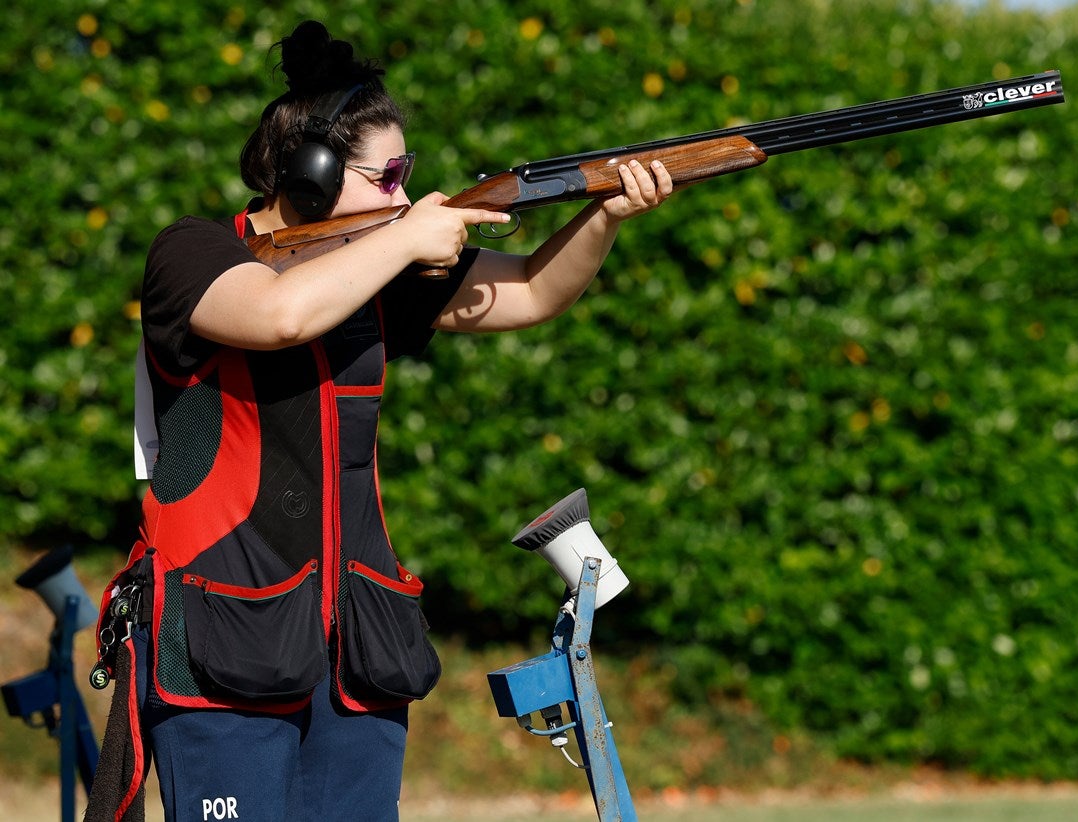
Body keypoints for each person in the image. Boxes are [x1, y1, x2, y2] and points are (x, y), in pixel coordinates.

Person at [86, 19, 671, 822]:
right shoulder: (190, 253)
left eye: (408, 174)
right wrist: (405, 243)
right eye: (385, 174)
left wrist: (602, 215)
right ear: (314, 175)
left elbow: (532, 290)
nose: (403, 195)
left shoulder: (374, 264)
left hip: (355, 655)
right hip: (220, 646)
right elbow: (280, 316)